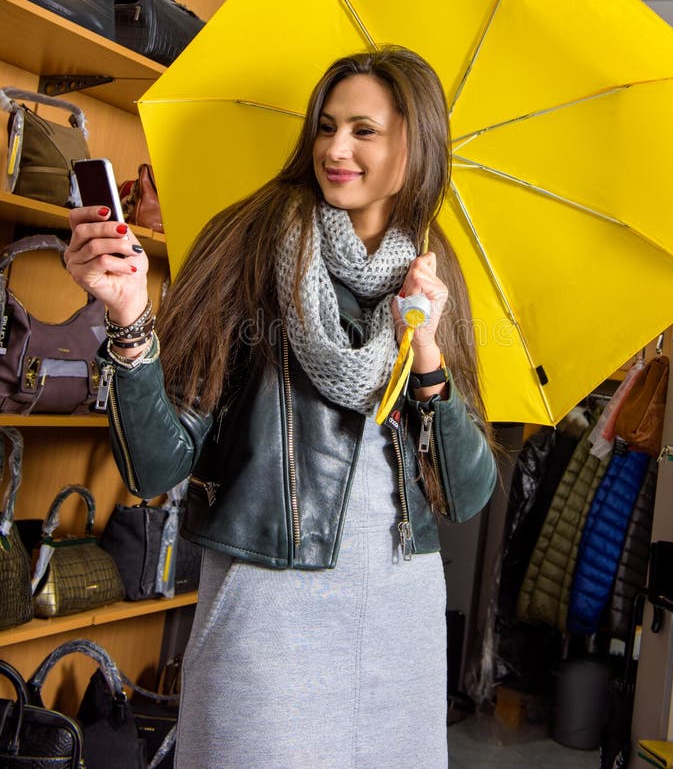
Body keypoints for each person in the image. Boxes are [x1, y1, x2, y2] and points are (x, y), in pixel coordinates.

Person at [65, 45, 497, 768]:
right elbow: (154, 467)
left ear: (414, 147)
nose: (335, 149)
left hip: (400, 602)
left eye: (365, 131)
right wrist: (131, 319)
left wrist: (426, 351)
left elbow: (465, 493)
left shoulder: (435, 270)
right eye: (327, 127)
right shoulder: (249, 242)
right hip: (269, 603)